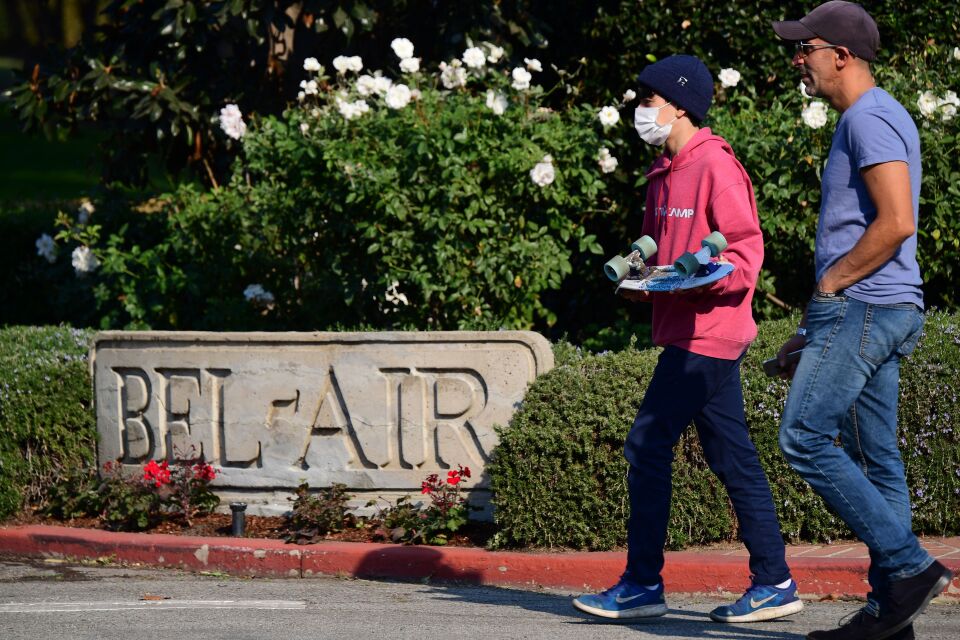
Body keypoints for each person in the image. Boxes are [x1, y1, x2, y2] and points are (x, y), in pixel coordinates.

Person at [572, 54, 803, 624]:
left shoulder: (716, 167)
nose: (640, 110)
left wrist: (705, 277)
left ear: (679, 106)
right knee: (732, 457)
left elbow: (745, 253)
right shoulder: (663, 172)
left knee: (647, 444)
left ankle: (642, 584)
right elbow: (655, 248)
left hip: (711, 332)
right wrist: (639, 283)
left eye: (648, 101)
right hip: (686, 329)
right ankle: (774, 580)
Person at [771, 3, 953, 639]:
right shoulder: (881, 115)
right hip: (879, 306)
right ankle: (890, 617)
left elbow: (897, 222)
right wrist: (814, 323)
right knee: (877, 459)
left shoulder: (868, 119)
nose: (799, 58)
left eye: (806, 48)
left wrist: (830, 286)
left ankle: (907, 568)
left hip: (866, 305)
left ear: (841, 56)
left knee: (803, 435)